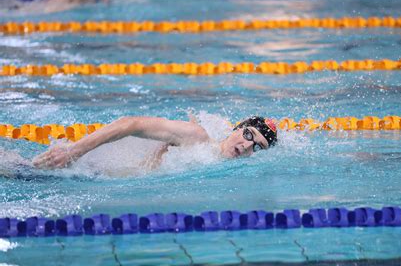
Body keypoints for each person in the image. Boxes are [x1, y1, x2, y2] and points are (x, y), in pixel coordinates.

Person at [32, 116, 278, 170]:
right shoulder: (198, 138)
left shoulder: (216, 164)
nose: (247, 146)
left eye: (257, 147)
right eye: (248, 135)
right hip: (80, 168)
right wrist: (73, 152)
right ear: (237, 128)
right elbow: (132, 124)